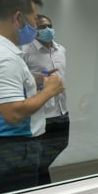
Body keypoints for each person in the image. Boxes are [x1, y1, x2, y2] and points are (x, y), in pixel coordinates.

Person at [0, 0, 65, 194]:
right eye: (34, 19)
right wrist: (50, 90)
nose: (36, 26)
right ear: (19, 18)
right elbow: (12, 112)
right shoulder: (4, 58)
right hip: (12, 150)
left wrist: (33, 79)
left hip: (3, 148)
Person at [21, 14, 69, 185]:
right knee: (39, 157)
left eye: (49, 26)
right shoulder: (25, 51)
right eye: (42, 27)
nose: (47, 29)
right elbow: (20, 81)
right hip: (42, 114)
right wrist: (37, 79)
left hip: (61, 111)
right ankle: (40, 186)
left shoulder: (61, 50)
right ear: (35, 30)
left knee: (61, 144)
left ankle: (39, 183)